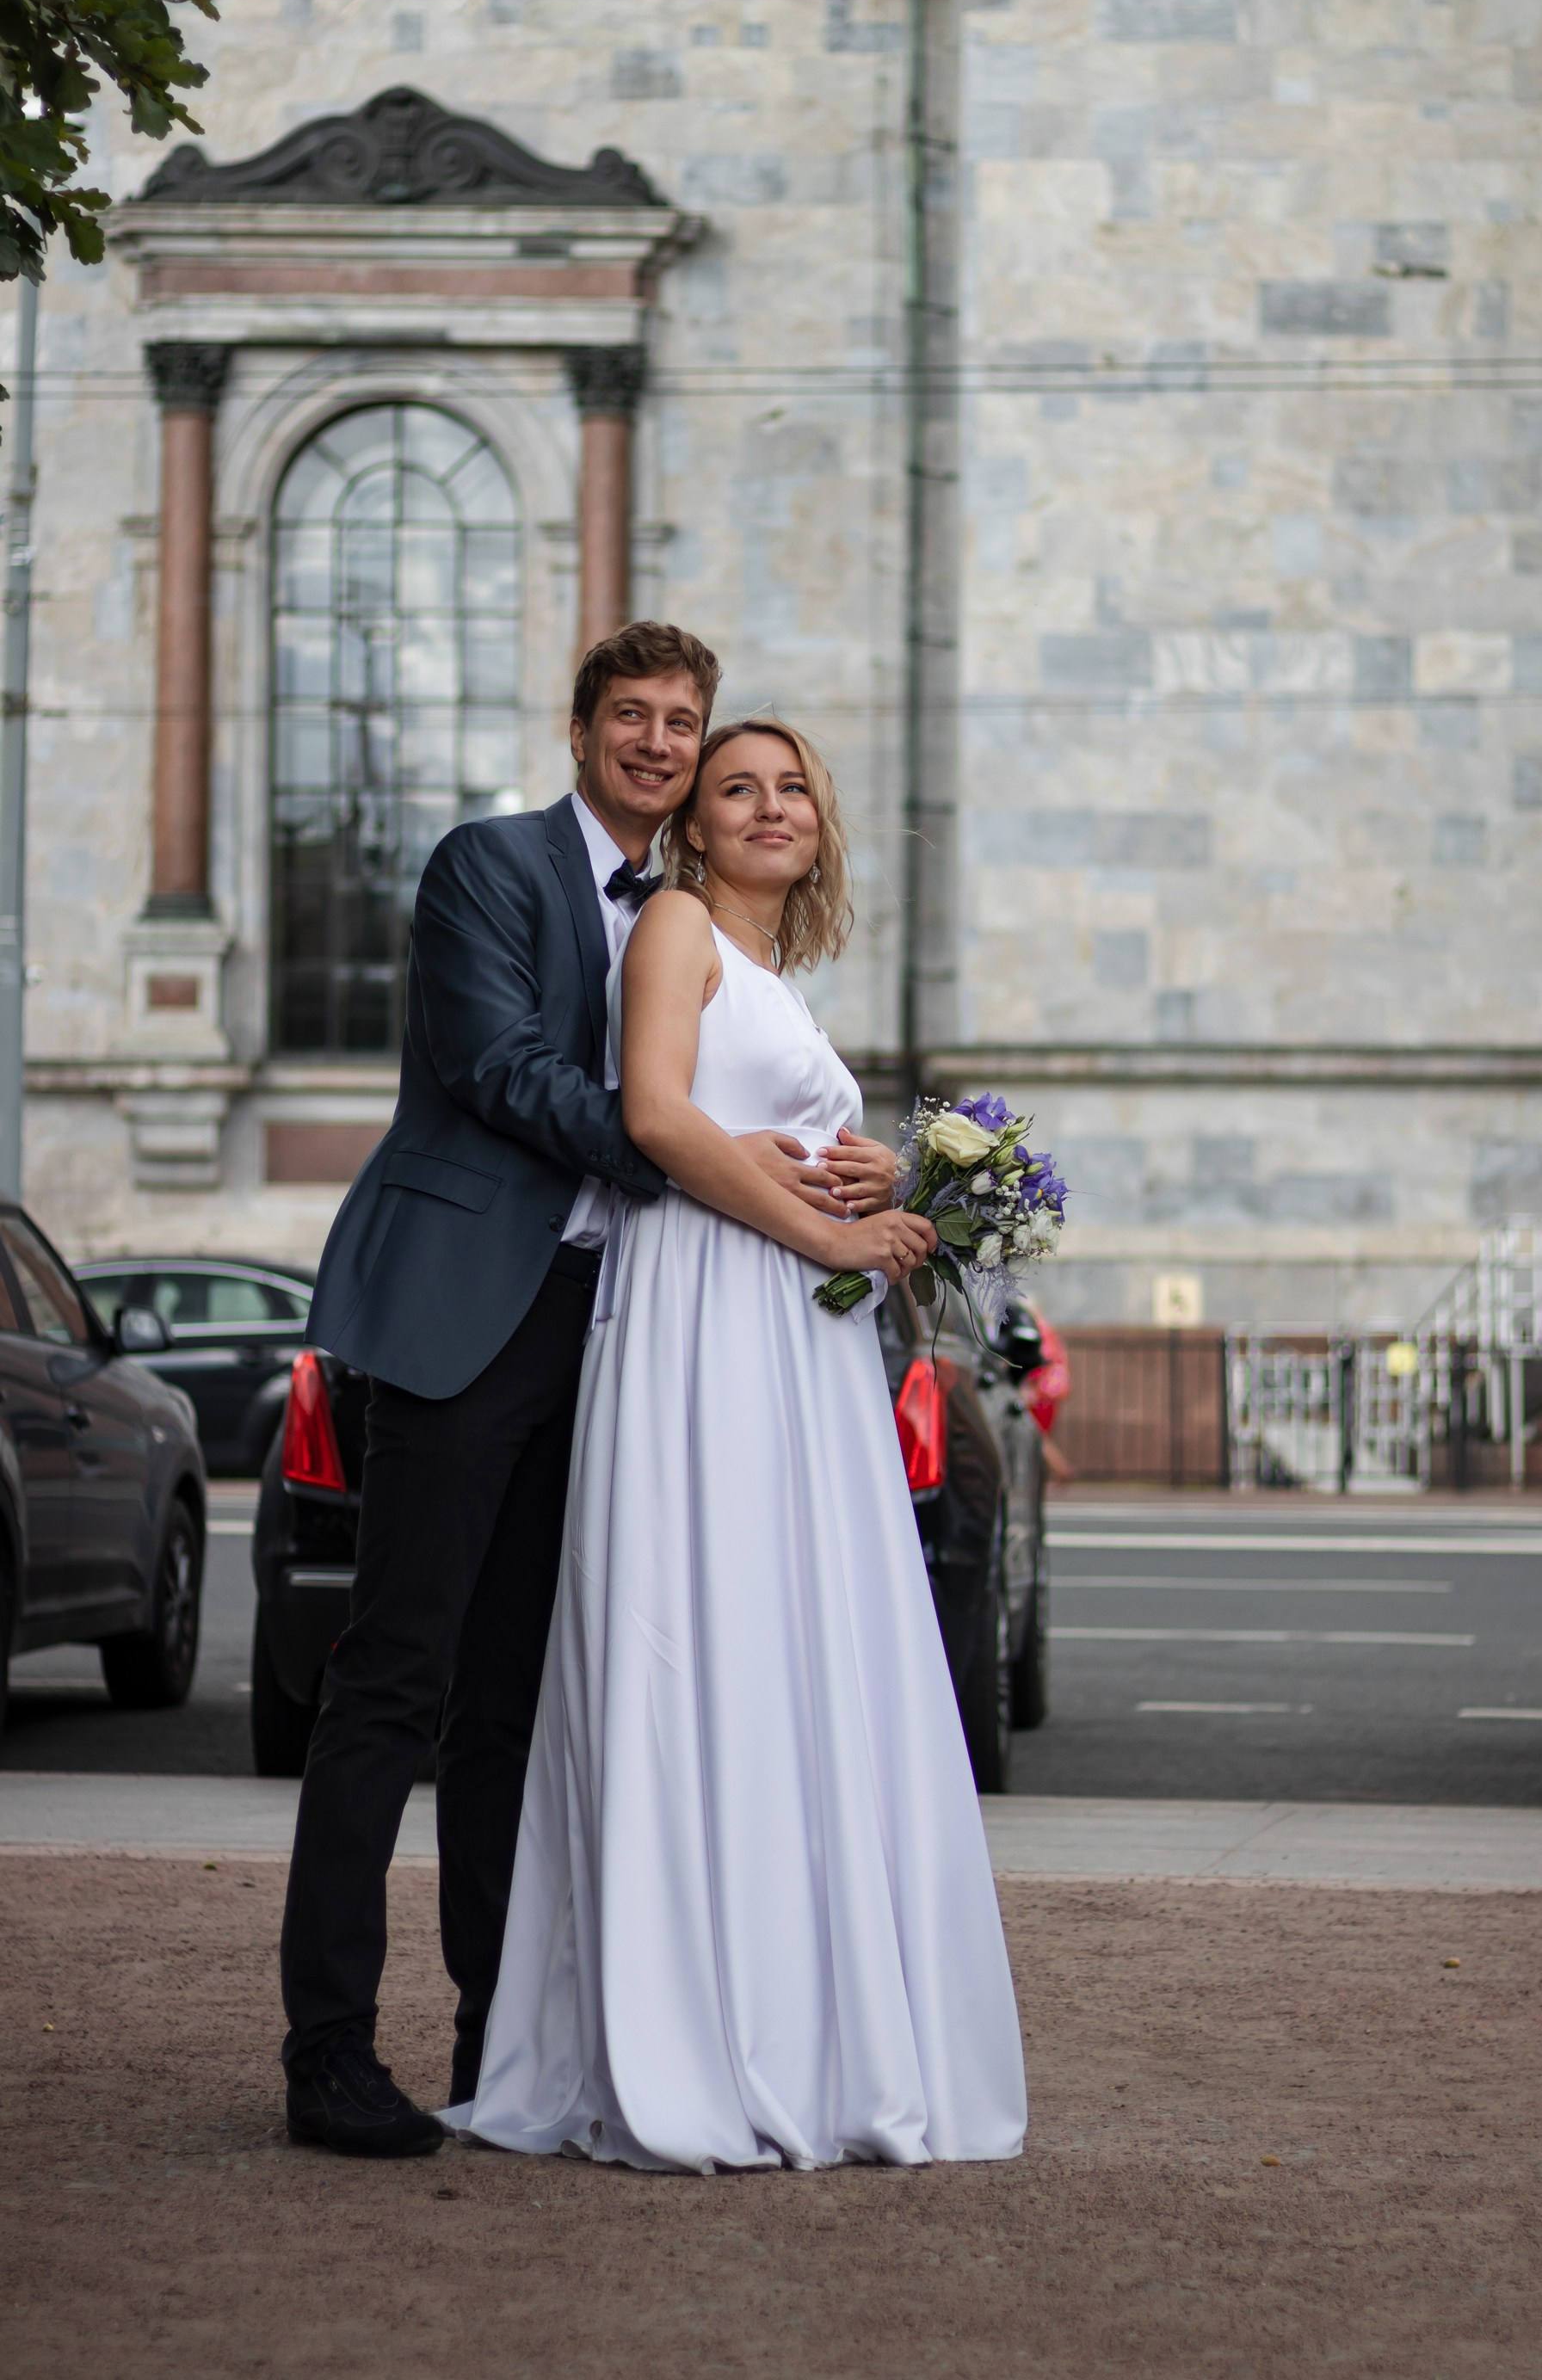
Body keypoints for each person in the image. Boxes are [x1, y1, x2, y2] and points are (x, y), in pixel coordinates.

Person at [278, 624, 902, 2159]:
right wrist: (693, 1146)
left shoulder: (705, 922)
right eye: (633, 716)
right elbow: (499, 1070)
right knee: (394, 1682)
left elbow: (731, 1096)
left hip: (623, 1332)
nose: (659, 742)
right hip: (463, 1312)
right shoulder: (488, 868)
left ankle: (505, 2042)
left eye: (683, 722)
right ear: (581, 732)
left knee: (524, 1708)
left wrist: (836, 1162)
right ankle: (328, 2052)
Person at [448, 718, 1028, 2172]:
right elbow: (654, 1118)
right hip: (704, 1319)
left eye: (794, 791)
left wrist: (882, 1168)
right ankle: (698, 2035)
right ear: (694, 827)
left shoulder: (774, 971)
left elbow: (760, 1115)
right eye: (737, 789)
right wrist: (838, 1227)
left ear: (822, 827)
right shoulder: (678, 928)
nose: (770, 808)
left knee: (799, 1652)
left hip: (797, 1341)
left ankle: (810, 2020)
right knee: (701, 1637)